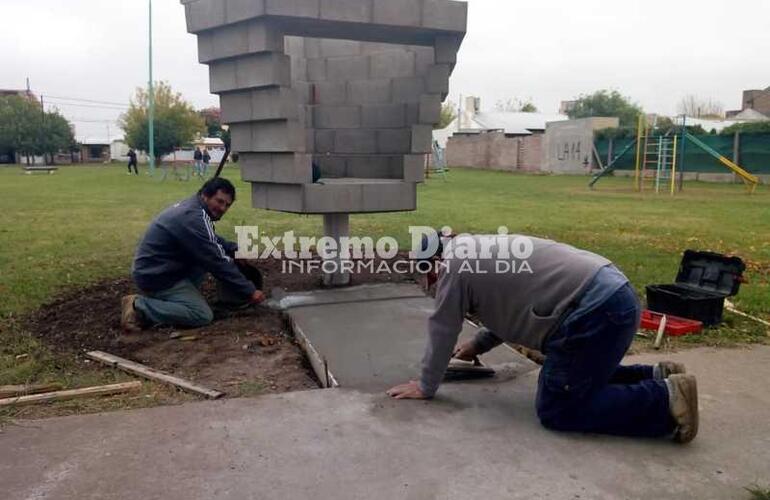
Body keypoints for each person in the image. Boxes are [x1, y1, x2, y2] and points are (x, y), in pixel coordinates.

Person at [387, 234, 699, 444]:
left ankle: (664, 401)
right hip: (613, 298)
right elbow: (515, 302)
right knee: (568, 378)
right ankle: (657, 376)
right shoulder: (482, 248)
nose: (433, 284)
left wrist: (426, 386)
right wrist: (477, 345)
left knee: (559, 408)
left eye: (430, 276)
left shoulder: (455, 266)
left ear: (437, 260)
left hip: (594, 314)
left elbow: (443, 326)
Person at [121, 177, 265, 332]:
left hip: (160, 267)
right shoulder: (193, 217)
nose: (223, 208)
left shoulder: (194, 208)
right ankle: (139, 306)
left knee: (207, 257)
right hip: (157, 276)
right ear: (205, 195)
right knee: (201, 314)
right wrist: (249, 290)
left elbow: (210, 240)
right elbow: (216, 260)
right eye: (219, 201)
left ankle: (174, 300)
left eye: (227, 205)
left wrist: (233, 249)